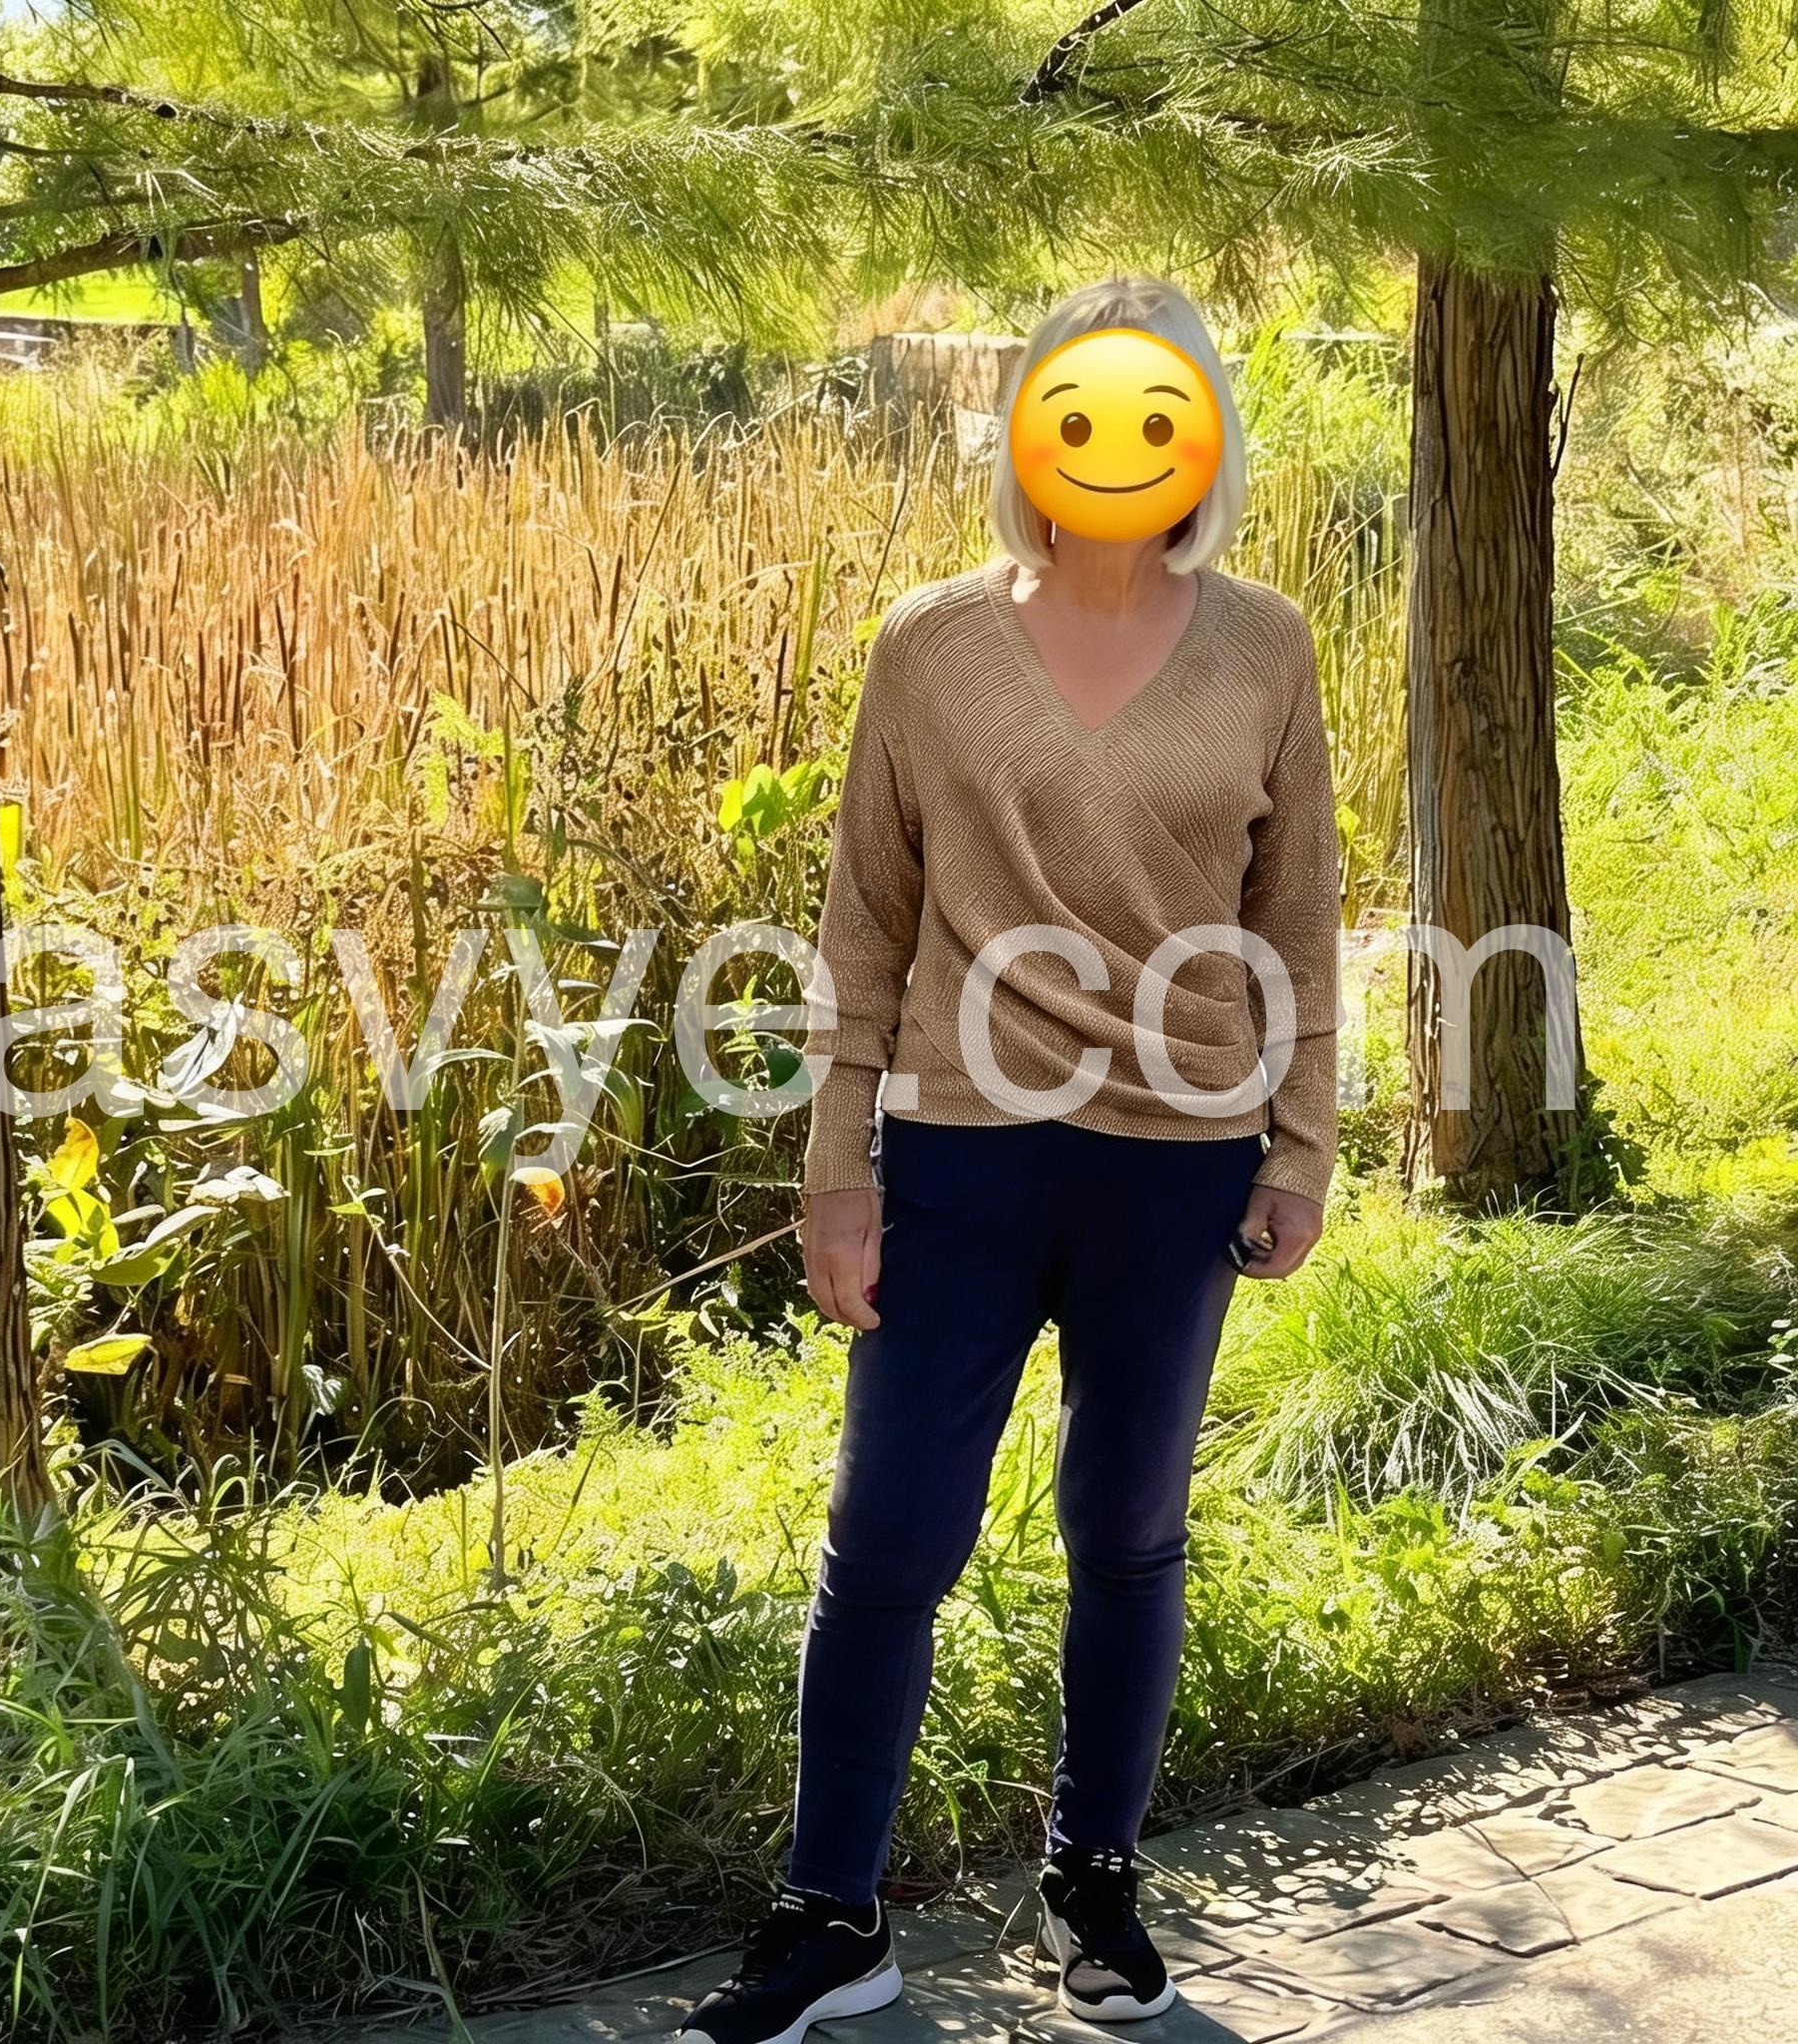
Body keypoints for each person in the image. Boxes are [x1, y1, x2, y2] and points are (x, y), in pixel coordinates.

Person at [678, 274, 1340, 2044]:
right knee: (890, 1534)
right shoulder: (931, 645)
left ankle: (1091, 1887)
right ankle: (833, 1920)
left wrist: (1302, 1145)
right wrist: (835, 1169)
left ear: (1199, 432)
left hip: (1178, 1162)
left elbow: (1298, 917)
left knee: (1128, 1530)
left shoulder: (1266, 646)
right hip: (957, 1153)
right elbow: (865, 920)